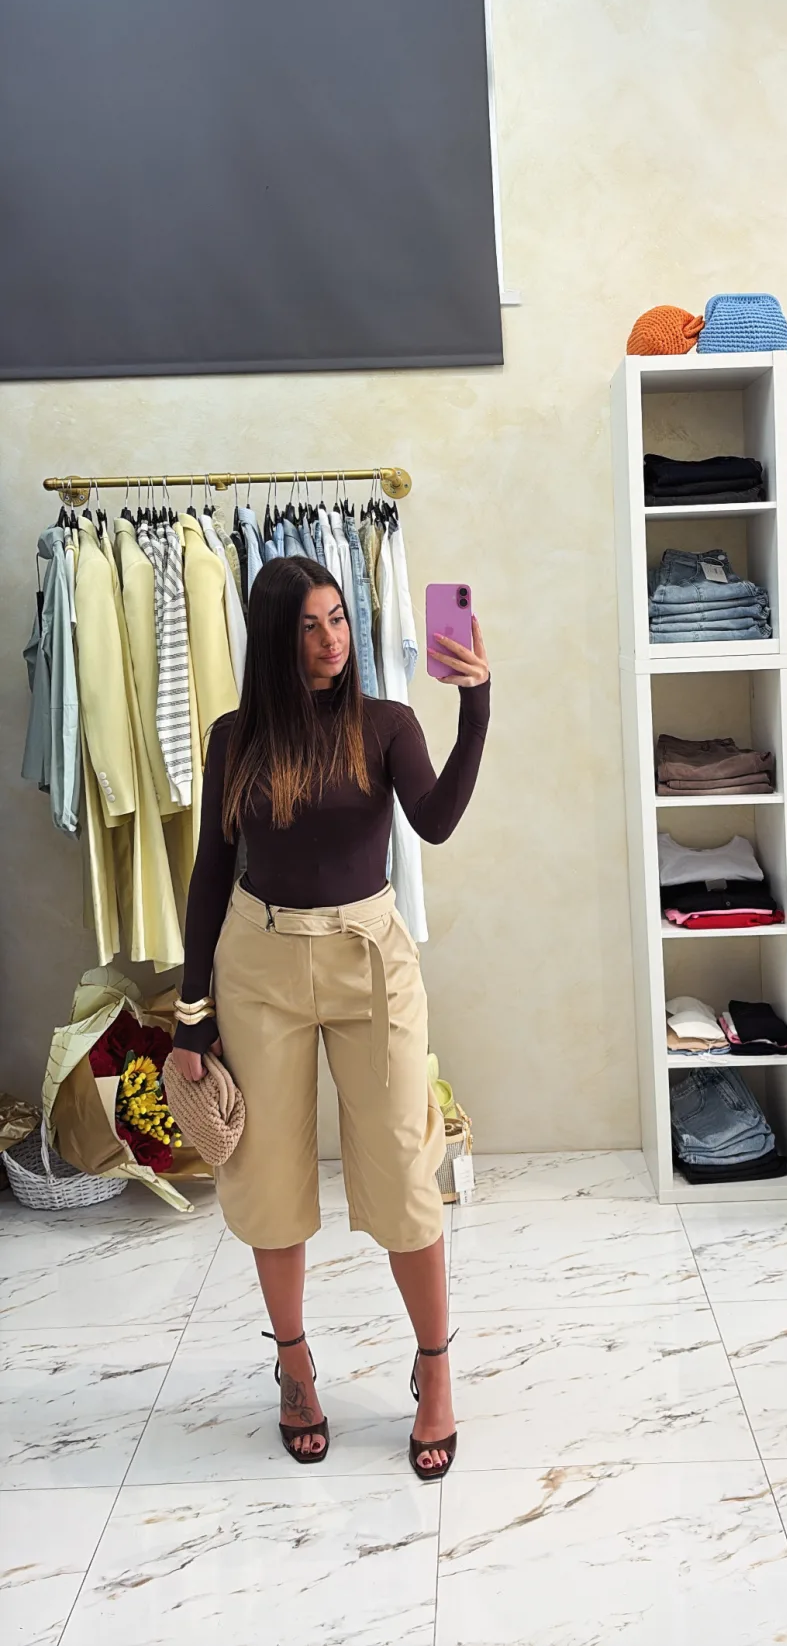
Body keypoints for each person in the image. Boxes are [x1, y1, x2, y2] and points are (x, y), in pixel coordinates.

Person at [170, 555, 490, 1478]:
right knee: (268, 1175)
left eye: (340, 619)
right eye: (309, 625)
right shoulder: (236, 738)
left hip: (368, 961)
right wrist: (191, 1016)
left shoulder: (385, 724)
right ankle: (295, 1365)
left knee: (402, 1168)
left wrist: (475, 705)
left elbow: (435, 821)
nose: (331, 639)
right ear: (278, 637)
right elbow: (210, 874)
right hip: (260, 964)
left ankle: (435, 1367)